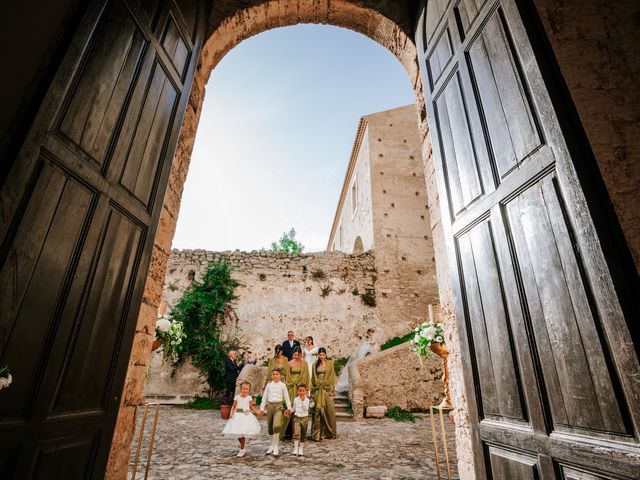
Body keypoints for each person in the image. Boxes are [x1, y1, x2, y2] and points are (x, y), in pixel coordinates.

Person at [221, 381, 263, 457]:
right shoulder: (237, 397)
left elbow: (251, 406)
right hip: (238, 416)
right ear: (240, 389)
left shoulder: (249, 398)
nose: (245, 390)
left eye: (247, 389)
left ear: (249, 390)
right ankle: (242, 445)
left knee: (242, 433)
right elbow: (233, 406)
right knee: (238, 433)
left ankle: (242, 448)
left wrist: (257, 411)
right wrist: (231, 413)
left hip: (246, 416)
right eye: (243, 389)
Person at [279, 346, 310, 440]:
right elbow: (287, 377)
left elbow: (307, 376)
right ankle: (293, 434)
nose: (297, 356)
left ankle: (300, 433)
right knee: (293, 411)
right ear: (293, 354)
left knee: (301, 411)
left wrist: (306, 389)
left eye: (298, 355)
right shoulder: (289, 363)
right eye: (295, 355)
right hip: (292, 389)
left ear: (301, 354)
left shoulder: (304, 363)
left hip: (301, 388)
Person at [335, 328, 379, 393]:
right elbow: (364, 348)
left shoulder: (372, 340)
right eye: (369, 332)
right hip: (362, 356)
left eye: (371, 332)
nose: (370, 333)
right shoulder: (366, 340)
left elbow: (373, 347)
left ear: (372, 333)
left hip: (365, 355)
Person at [260, 368, 291, 456]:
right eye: (273, 374)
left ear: (280, 376)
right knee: (270, 427)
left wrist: (289, 408)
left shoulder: (283, 385)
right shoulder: (269, 385)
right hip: (270, 407)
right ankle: (271, 445)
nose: (275, 376)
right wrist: (262, 409)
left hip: (279, 407)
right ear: (271, 376)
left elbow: (287, 397)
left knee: (276, 426)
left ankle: (276, 446)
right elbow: (264, 397)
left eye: (277, 374)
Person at [311, 347, 337, 441]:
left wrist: (333, 389)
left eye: (323, 355)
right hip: (318, 389)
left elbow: (333, 376)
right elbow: (313, 378)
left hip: (327, 389)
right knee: (318, 412)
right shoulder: (315, 364)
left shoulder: (330, 363)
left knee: (329, 411)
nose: (321, 356)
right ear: (318, 355)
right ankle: (317, 434)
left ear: (326, 355)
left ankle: (330, 433)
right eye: (320, 355)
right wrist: (312, 391)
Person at [286, 383, 311, 456]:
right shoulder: (295, 399)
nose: (301, 392)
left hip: (304, 418)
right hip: (297, 418)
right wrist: (289, 411)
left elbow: (306, 408)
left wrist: (303, 401)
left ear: (306, 391)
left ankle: (301, 449)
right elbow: (294, 408)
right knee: (296, 434)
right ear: (298, 391)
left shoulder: (307, 400)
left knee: (303, 434)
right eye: (300, 391)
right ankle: (296, 449)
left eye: (303, 391)